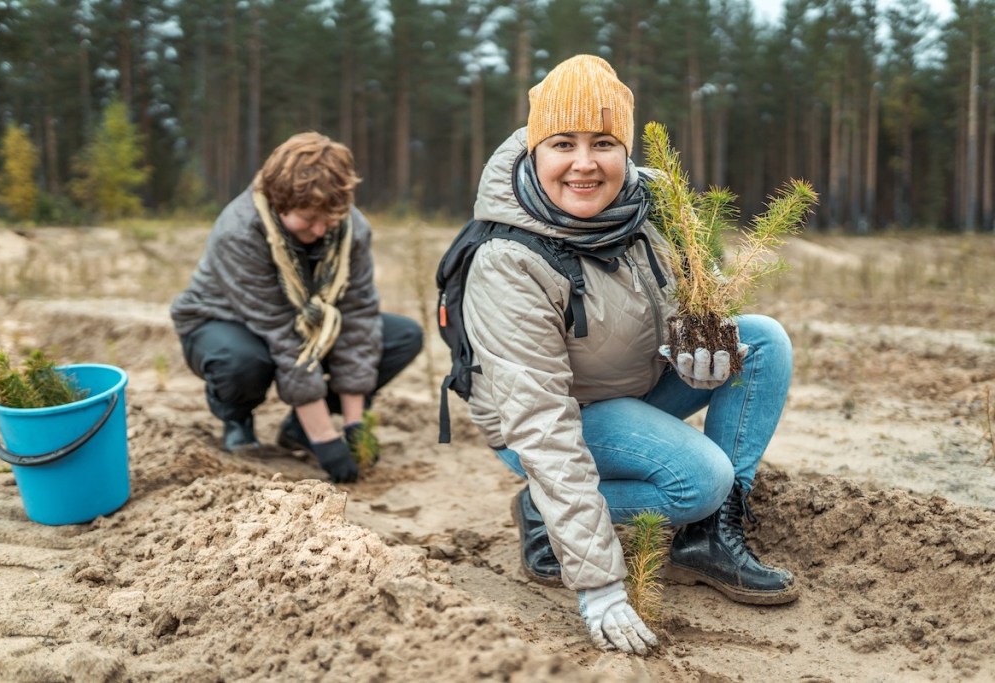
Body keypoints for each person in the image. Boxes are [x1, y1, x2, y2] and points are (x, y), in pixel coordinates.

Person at [460, 55, 797, 655]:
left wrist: (700, 344)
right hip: (549, 420)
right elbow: (541, 421)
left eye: (605, 142)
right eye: (563, 142)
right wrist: (600, 585)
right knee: (700, 479)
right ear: (536, 148)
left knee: (762, 339)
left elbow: (702, 294)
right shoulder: (508, 261)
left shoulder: (653, 207)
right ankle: (544, 510)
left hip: (633, 386)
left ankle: (711, 536)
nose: (585, 163)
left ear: (627, 150)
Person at [171, 131, 422, 483]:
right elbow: (284, 335)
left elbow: (358, 317)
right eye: (308, 219)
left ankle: (297, 430)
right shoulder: (240, 231)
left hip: (311, 321)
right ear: (278, 202)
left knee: (402, 336)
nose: (321, 230)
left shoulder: (352, 229)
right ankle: (238, 419)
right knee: (242, 361)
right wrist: (325, 439)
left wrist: (354, 426)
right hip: (222, 321)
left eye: (330, 219)